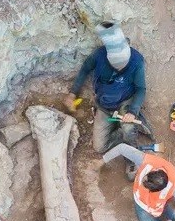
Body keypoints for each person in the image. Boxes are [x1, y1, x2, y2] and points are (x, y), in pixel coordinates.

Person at [63, 21, 147, 153]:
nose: (121, 69)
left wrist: (132, 111)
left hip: (125, 102)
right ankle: (121, 132)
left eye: (124, 66)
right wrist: (73, 93)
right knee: (99, 147)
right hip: (104, 106)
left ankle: (130, 148)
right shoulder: (99, 56)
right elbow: (85, 69)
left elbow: (141, 89)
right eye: (117, 67)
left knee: (128, 129)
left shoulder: (136, 61)